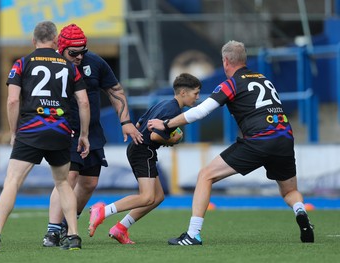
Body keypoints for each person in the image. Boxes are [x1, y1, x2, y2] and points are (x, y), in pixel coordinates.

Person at [147, 40, 315, 245]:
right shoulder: (263, 79)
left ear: (226, 61)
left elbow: (201, 111)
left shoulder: (232, 83)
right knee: (289, 191)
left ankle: (193, 234)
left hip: (258, 140)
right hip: (284, 139)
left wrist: (166, 123)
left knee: (205, 176)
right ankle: (300, 211)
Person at [0, 21, 90, 252]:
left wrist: (14, 131)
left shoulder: (22, 63)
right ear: (56, 41)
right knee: (63, 183)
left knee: (13, 181)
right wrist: (84, 134)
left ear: (33, 41)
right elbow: (83, 102)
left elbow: (13, 100)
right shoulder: (70, 67)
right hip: (60, 131)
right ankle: (74, 237)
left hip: (31, 130)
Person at [42, 23, 143, 247]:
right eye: (73, 53)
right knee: (67, 178)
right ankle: (52, 231)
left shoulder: (95, 63)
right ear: (61, 48)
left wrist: (125, 121)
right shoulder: (52, 66)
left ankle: (70, 223)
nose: (79, 57)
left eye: (82, 51)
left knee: (89, 182)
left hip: (92, 132)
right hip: (64, 130)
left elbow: (115, 91)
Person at [88, 73, 201, 244]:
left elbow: (140, 124)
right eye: (196, 93)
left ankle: (120, 228)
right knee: (147, 196)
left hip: (139, 148)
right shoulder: (173, 110)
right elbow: (156, 137)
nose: (197, 97)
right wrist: (173, 139)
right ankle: (103, 211)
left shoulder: (163, 103)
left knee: (157, 197)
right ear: (183, 92)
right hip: (144, 150)